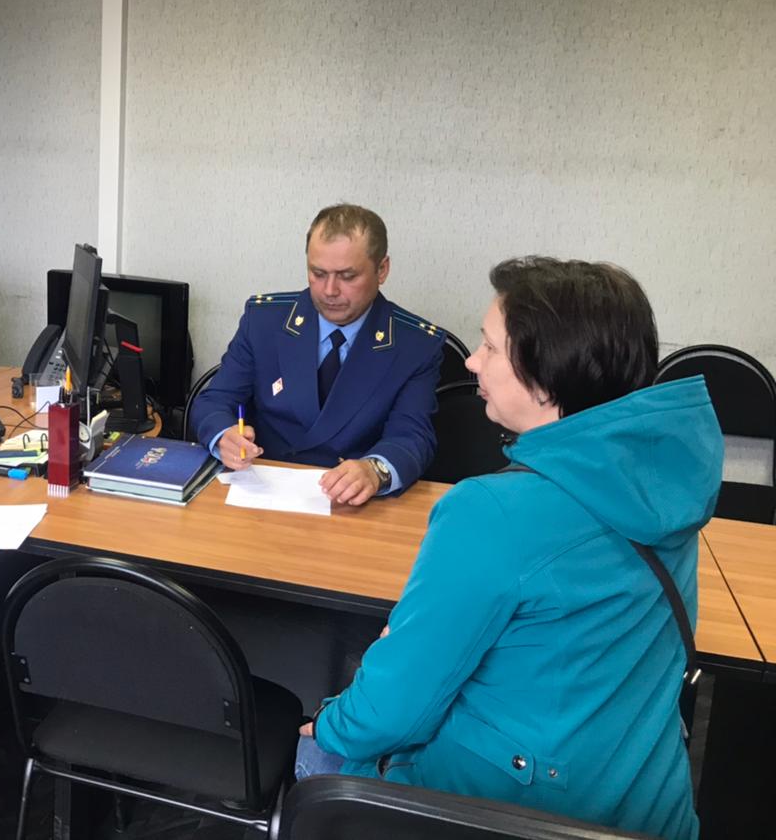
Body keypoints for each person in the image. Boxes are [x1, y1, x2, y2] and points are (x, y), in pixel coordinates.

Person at [296, 257, 721, 840]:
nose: (472, 361)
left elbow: (391, 710)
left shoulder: (491, 511)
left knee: (319, 753)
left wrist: (330, 722)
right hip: (647, 805)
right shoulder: (662, 484)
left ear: (546, 381)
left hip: (511, 814)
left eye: (490, 347)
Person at [190, 204, 443, 504]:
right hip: (260, 492)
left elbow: (412, 436)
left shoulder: (414, 345)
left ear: (382, 270)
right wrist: (224, 436)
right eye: (318, 273)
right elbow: (215, 401)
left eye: (347, 276)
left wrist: (375, 470)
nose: (329, 290)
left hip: (349, 503)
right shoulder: (265, 321)